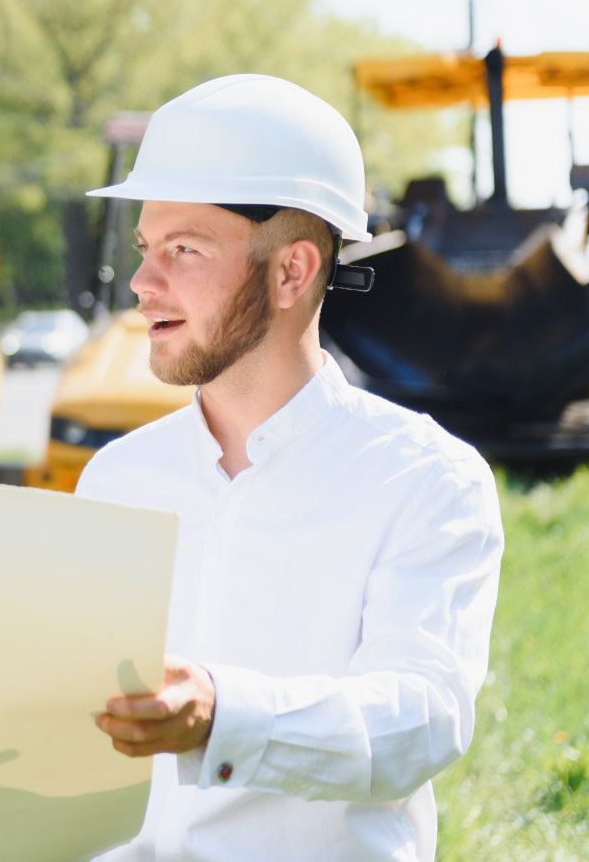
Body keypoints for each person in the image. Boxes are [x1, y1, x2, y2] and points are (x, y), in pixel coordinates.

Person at [77, 74, 503, 861]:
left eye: (184, 250)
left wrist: (224, 716)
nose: (143, 283)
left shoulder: (426, 481)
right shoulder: (115, 481)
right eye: (145, 250)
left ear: (292, 271)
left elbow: (419, 718)